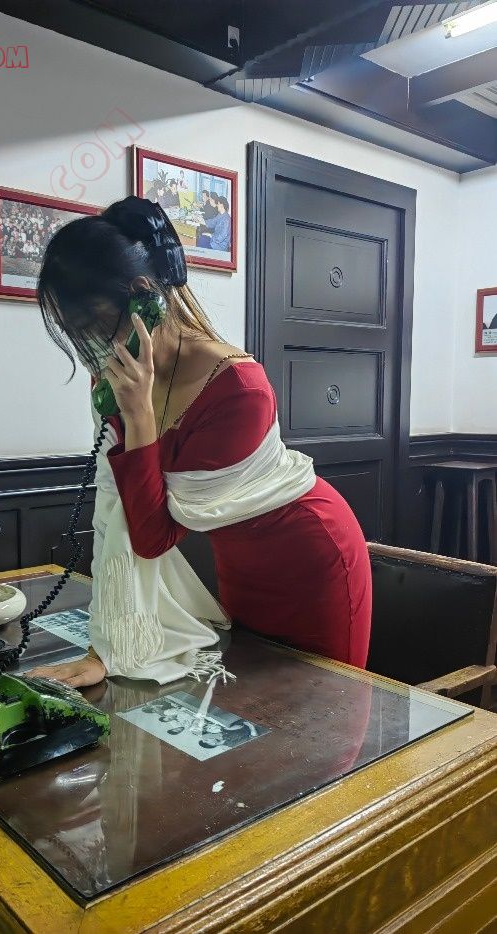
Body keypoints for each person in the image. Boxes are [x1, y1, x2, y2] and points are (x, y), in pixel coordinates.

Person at [26, 196, 372, 688]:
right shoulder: (116, 379)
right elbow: (112, 512)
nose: (94, 351)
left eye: (94, 328)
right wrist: (105, 646)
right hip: (239, 563)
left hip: (309, 559)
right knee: (248, 708)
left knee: (326, 708)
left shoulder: (238, 388)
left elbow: (153, 535)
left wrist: (139, 416)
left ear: (143, 296)